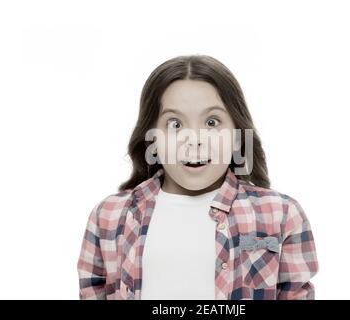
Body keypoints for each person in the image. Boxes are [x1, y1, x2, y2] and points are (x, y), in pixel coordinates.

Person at [77, 54, 319, 300]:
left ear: (237, 134)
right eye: (175, 124)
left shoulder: (280, 214)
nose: (195, 140)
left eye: (212, 122)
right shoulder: (108, 216)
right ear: (152, 137)